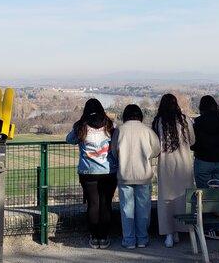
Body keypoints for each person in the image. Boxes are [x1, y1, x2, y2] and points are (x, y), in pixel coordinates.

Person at [66, 99, 117, 249]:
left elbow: (69, 140)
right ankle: (104, 236)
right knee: (106, 204)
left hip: (87, 172)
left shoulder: (81, 126)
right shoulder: (110, 125)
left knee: (93, 204)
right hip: (108, 171)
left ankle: (94, 237)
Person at [111, 104, 160, 249]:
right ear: (140, 115)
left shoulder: (120, 130)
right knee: (144, 209)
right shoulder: (147, 130)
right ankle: (142, 239)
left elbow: (114, 151)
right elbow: (156, 149)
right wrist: (146, 156)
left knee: (126, 209)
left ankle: (129, 240)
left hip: (124, 175)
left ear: (125, 115)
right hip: (143, 175)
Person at [191, 95, 219, 240]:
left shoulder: (197, 123)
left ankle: (207, 228)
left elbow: (192, 143)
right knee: (218, 196)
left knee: (203, 197)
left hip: (202, 162)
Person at [153, 94, 195, 248]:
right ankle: (182, 229)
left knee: (166, 199)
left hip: (166, 164)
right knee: (183, 198)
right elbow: (192, 140)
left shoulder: (158, 121)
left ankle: (169, 234)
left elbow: (156, 145)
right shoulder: (184, 120)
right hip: (184, 164)